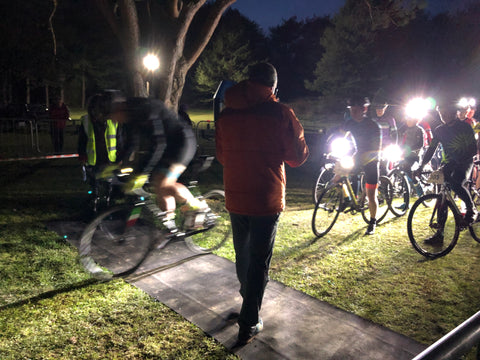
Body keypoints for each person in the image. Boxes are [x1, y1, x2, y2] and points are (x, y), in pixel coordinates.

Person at [215, 62, 309, 345]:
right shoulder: (281, 113)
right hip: (265, 198)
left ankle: (248, 305)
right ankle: (249, 321)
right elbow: (297, 156)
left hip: (235, 194)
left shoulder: (227, 113)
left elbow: (222, 155)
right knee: (258, 262)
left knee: (243, 256)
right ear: (273, 87)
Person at [103, 92, 203, 229]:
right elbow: (131, 143)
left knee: (164, 183)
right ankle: (170, 226)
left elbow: (159, 144)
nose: (113, 121)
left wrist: (143, 172)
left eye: (112, 116)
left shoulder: (145, 111)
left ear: (118, 108)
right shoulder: (131, 115)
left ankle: (195, 204)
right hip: (168, 145)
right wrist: (116, 164)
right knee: (158, 185)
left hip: (182, 142)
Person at [414, 105, 477, 243]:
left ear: (454, 113)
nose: (444, 115)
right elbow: (431, 149)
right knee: (441, 198)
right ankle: (439, 234)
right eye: (441, 113)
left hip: (464, 162)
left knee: (456, 183)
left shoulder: (464, 127)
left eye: (446, 112)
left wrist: (459, 161)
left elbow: (473, 149)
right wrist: (421, 166)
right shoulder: (439, 130)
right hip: (448, 163)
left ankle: (471, 210)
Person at [343, 95, 382, 235]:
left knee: (371, 194)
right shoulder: (349, 123)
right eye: (351, 110)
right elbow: (340, 135)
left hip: (371, 159)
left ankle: (372, 221)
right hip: (356, 155)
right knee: (339, 173)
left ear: (364, 109)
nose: (353, 113)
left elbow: (377, 150)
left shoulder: (373, 125)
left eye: (356, 110)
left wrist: (360, 157)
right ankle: (347, 200)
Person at [78, 92, 121, 202]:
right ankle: (95, 198)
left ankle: (108, 198)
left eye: (100, 110)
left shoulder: (113, 121)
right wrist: (82, 157)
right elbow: (82, 141)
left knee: (109, 181)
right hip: (93, 159)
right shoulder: (86, 121)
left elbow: (120, 140)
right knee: (94, 181)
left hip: (109, 158)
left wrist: (120, 157)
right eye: (94, 110)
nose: (97, 113)